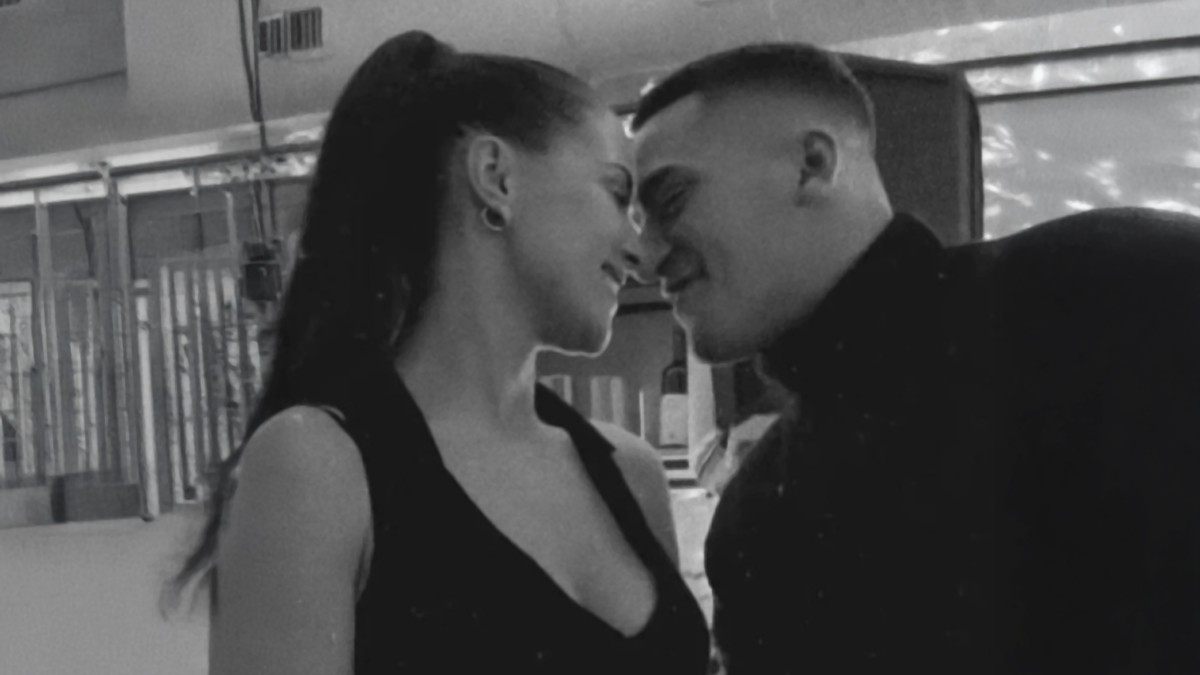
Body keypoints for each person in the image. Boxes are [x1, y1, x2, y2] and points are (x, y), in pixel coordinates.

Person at [630, 42, 1200, 674]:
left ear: (811, 165)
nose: (646, 258)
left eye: (671, 199)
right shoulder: (754, 521)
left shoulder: (1119, 289)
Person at [164, 31, 711, 675]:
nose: (639, 250)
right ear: (496, 176)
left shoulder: (631, 473)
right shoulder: (318, 467)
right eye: (617, 194)